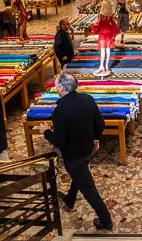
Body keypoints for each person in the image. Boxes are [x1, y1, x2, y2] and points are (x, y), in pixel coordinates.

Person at [38, 72, 113, 230]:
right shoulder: (87, 98)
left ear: (61, 88)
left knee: (88, 188)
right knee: (80, 175)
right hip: (88, 148)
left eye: (56, 85)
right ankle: (70, 199)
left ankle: (105, 220)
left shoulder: (60, 110)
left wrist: (45, 131)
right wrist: (96, 138)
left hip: (73, 155)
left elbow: (59, 141)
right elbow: (100, 124)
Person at [91, 0, 121, 74]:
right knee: (108, 49)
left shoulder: (101, 15)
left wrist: (93, 25)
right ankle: (107, 65)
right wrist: (116, 30)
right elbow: (113, 23)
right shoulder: (110, 15)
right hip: (108, 33)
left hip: (102, 33)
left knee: (102, 50)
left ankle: (101, 66)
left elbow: (98, 24)